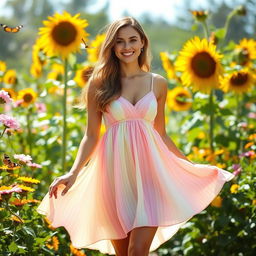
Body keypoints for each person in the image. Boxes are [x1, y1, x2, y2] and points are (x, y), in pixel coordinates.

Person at [36, 16, 235, 256]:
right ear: (112, 46)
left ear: (142, 43)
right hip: (111, 177)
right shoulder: (98, 84)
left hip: (150, 175)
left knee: (138, 249)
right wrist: (73, 172)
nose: (126, 46)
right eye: (119, 41)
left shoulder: (157, 84)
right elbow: (90, 135)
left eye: (132, 40)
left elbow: (160, 134)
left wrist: (191, 168)